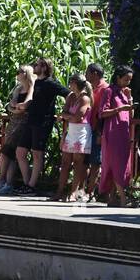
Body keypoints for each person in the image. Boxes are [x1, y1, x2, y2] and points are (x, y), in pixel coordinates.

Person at [13, 58, 69, 194]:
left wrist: (65, 111)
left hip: (43, 121)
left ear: (44, 68)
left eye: (37, 65)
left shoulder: (50, 83)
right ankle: (27, 183)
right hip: (30, 120)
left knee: (37, 153)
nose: (34, 67)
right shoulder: (35, 82)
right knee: (20, 152)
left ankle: (31, 186)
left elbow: (68, 94)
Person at [96, 65, 137, 207]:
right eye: (126, 79)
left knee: (122, 164)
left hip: (123, 132)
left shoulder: (124, 92)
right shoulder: (109, 91)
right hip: (112, 132)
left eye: (130, 80)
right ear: (118, 78)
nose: (128, 82)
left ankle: (112, 198)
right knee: (116, 163)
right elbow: (102, 113)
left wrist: (130, 98)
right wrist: (119, 109)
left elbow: (131, 115)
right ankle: (123, 199)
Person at [0, 66, 34, 194]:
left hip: (24, 124)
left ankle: (7, 182)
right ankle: (4, 180)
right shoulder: (18, 88)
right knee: (7, 152)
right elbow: (11, 105)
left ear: (26, 73)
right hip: (13, 122)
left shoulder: (31, 87)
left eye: (19, 72)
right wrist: (17, 108)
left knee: (12, 153)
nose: (16, 74)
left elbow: (26, 104)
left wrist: (18, 108)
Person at [54, 73, 93, 202]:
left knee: (77, 163)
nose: (69, 85)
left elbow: (78, 117)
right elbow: (64, 113)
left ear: (76, 83)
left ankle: (74, 192)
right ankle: (59, 191)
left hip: (81, 131)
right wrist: (69, 116)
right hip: (70, 130)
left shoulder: (85, 99)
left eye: (71, 82)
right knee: (65, 162)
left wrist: (67, 116)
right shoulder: (71, 96)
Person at [83, 63, 108, 199]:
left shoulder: (105, 89)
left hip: (97, 129)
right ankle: (82, 189)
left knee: (95, 162)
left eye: (88, 72)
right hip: (86, 128)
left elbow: (103, 112)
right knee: (84, 161)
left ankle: (91, 192)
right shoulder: (91, 88)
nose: (86, 75)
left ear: (95, 74)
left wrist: (100, 132)